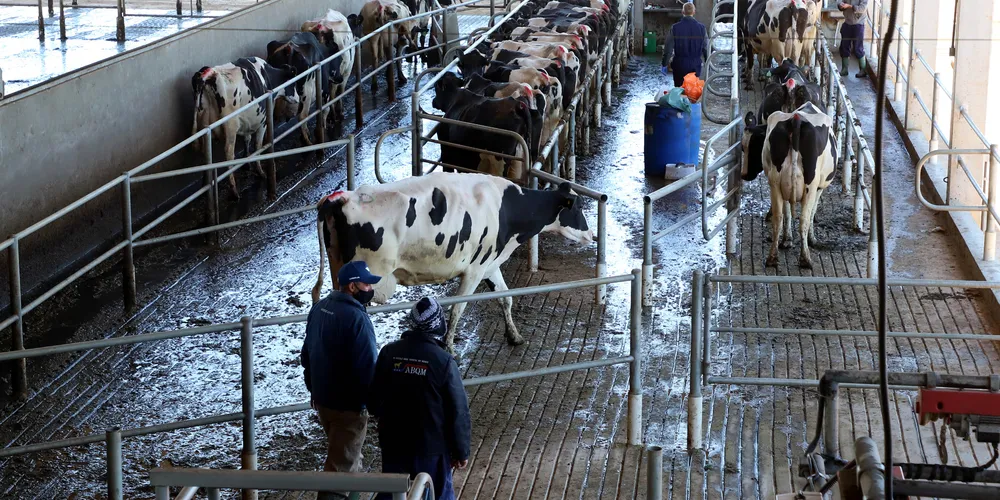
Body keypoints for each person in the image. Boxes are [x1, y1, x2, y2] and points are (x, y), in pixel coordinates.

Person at [369, 297, 472, 500]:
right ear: (437, 325)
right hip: (431, 447)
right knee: (436, 492)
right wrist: (461, 450)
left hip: (394, 444)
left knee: (392, 492)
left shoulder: (389, 352)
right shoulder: (443, 361)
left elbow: (374, 400)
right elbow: (458, 409)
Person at [301, 260, 381, 500]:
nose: (370, 288)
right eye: (366, 284)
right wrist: (373, 403)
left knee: (347, 456)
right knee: (341, 468)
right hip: (349, 405)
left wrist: (313, 388)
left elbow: (307, 353)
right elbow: (368, 366)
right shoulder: (357, 319)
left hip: (323, 400)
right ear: (352, 287)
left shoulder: (320, 308)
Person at [661, 2, 710, 88]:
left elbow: (668, 48)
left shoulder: (675, 28)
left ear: (682, 12)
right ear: (694, 12)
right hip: (695, 65)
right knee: (692, 92)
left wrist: (664, 63)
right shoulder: (702, 28)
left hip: (679, 65)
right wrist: (707, 62)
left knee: (679, 92)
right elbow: (706, 48)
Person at [838, 0, 869, 78]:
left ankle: (863, 70)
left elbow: (862, 8)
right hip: (847, 22)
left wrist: (850, 6)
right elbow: (839, 1)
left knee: (858, 48)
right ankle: (844, 69)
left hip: (858, 24)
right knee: (844, 47)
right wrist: (840, 5)